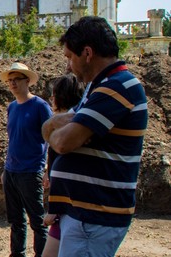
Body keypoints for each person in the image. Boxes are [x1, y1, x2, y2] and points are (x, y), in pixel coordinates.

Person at [43, 16, 148, 256]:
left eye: (70, 57)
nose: (68, 66)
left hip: (94, 218)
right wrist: (53, 126)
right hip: (82, 215)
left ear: (87, 53)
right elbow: (58, 130)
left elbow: (63, 141)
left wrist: (51, 127)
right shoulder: (98, 88)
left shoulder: (117, 87)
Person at [0, 62, 52, 257]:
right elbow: (13, 140)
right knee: (16, 220)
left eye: (16, 80)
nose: (12, 84)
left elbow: (51, 138)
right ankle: (18, 254)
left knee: (37, 221)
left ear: (27, 81)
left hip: (31, 172)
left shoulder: (40, 106)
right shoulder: (12, 108)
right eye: (10, 80)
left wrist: (48, 169)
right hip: (12, 171)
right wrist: (6, 170)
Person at [40, 74, 84, 257]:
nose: (51, 100)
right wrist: (48, 172)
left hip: (68, 211)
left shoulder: (66, 127)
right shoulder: (72, 122)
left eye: (53, 95)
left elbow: (66, 173)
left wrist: (53, 210)